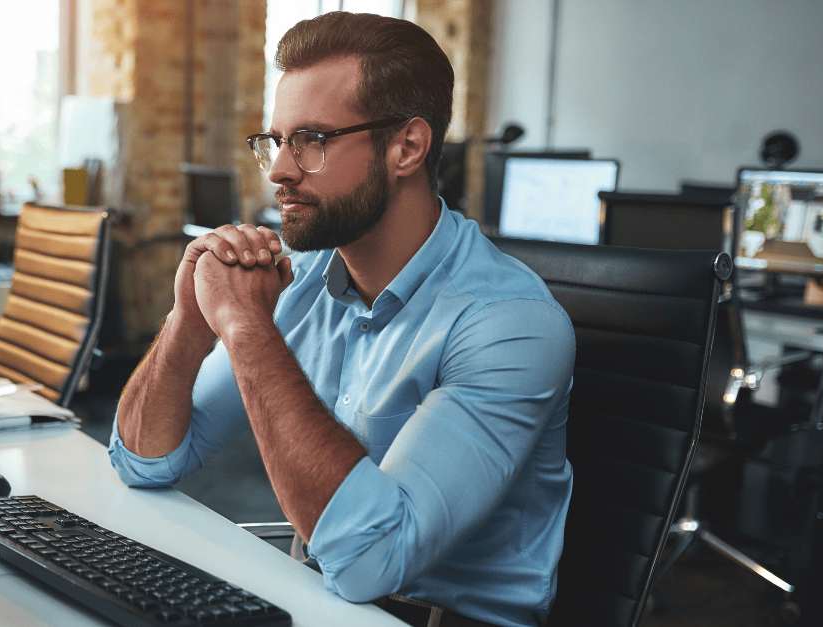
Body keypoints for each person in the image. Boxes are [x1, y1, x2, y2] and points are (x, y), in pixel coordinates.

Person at [109, 11, 574, 627]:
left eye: (313, 141)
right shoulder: (300, 279)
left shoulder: (508, 322)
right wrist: (189, 321)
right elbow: (144, 460)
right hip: (318, 602)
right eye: (275, 141)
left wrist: (247, 328)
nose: (278, 170)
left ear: (406, 146)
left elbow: (371, 560)